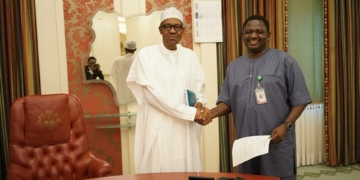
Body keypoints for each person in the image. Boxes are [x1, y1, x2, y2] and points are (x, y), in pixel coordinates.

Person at [207, 15, 312, 180]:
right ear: (242, 35)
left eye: (259, 32)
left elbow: (301, 99)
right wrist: (209, 114)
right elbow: (227, 101)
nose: (253, 36)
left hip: (275, 141)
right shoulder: (234, 67)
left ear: (268, 35)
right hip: (246, 143)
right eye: (248, 32)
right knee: (248, 178)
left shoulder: (285, 61)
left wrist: (286, 125)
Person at [126, 7, 211, 173]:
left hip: (185, 128)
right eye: (167, 26)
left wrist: (199, 104)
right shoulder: (146, 55)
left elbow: (198, 88)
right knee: (160, 169)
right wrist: (190, 112)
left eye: (177, 27)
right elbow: (153, 97)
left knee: (187, 168)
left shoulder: (190, 56)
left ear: (182, 30)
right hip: (159, 126)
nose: (172, 31)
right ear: (160, 30)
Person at [110, 40, 137, 104]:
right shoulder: (138, 59)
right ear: (135, 49)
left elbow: (112, 74)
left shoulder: (118, 60)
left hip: (122, 93)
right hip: (135, 93)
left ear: (125, 49)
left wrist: (120, 82)